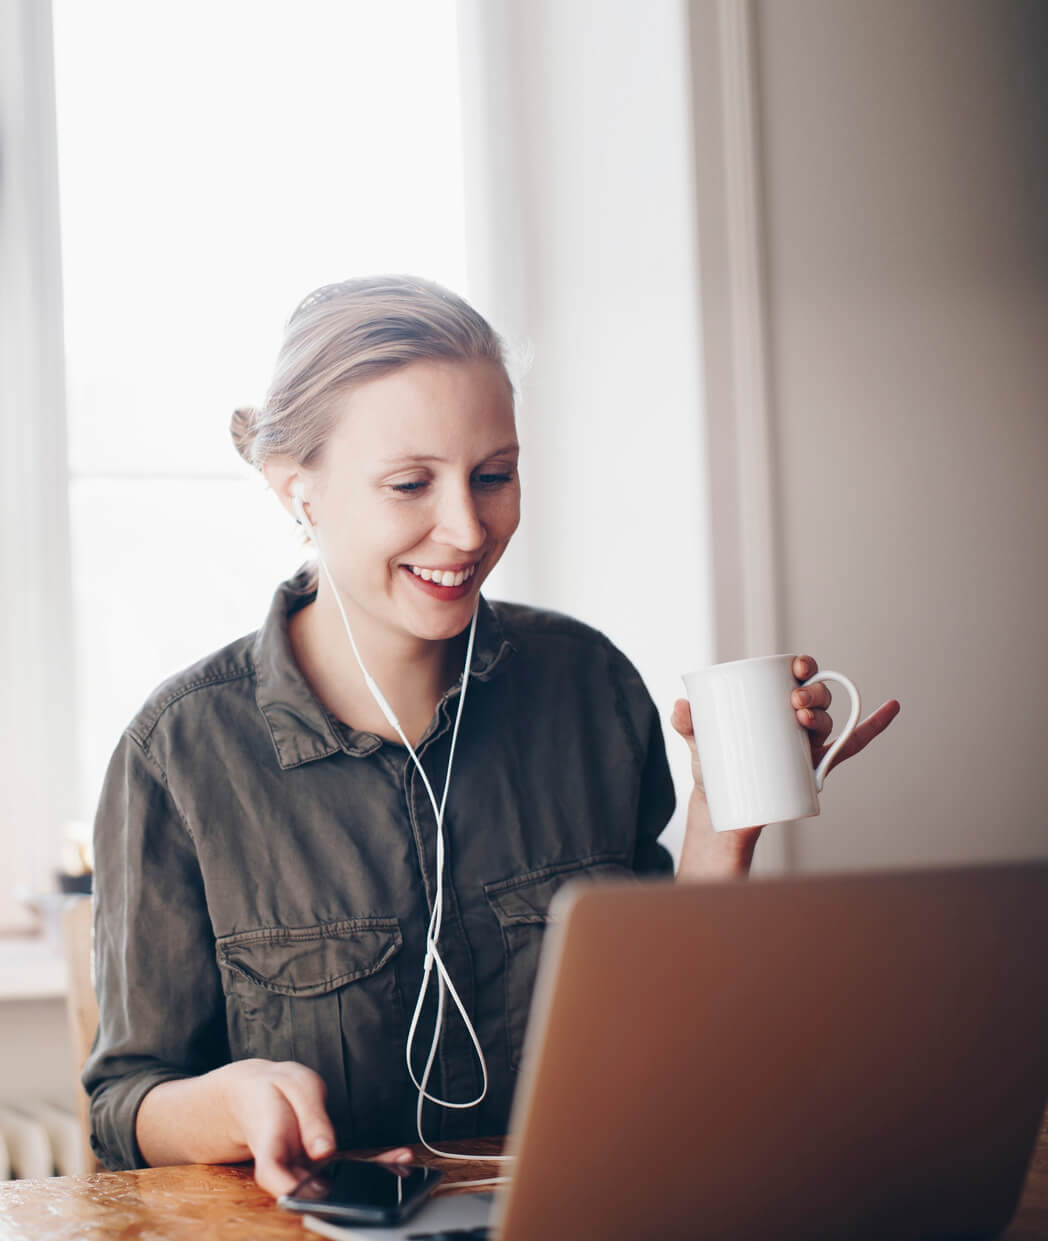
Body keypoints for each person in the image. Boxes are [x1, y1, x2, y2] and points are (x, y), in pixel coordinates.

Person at [82, 275, 900, 1196]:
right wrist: (236, 1100)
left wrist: (726, 814)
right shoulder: (179, 754)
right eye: (409, 483)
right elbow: (123, 1107)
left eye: (495, 474)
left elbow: (666, 1038)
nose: (468, 528)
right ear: (295, 489)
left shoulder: (589, 688)